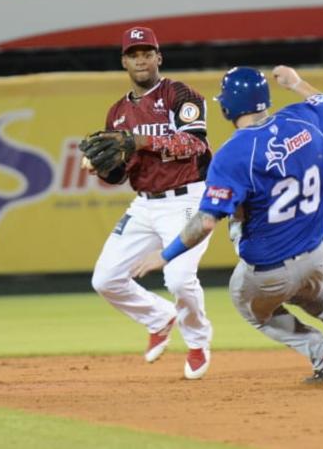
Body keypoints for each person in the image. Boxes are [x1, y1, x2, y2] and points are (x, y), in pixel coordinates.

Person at [134, 65, 323, 384]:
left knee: (250, 305)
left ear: (227, 107)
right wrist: (297, 83)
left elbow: (205, 222)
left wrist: (165, 255)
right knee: (310, 291)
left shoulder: (233, 155)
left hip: (269, 269)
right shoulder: (304, 119)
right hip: (317, 255)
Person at [80, 26, 214, 380]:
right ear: (124, 61)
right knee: (105, 279)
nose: (141, 59)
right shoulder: (117, 113)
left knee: (180, 279)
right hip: (144, 204)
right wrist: (103, 168)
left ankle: (198, 342)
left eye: (147, 53)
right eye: (134, 54)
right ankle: (158, 317)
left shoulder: (180, 95)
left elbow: (194, 144)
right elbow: (122, 173)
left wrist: (138, 141)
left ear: (159, 57)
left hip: (187, 198)